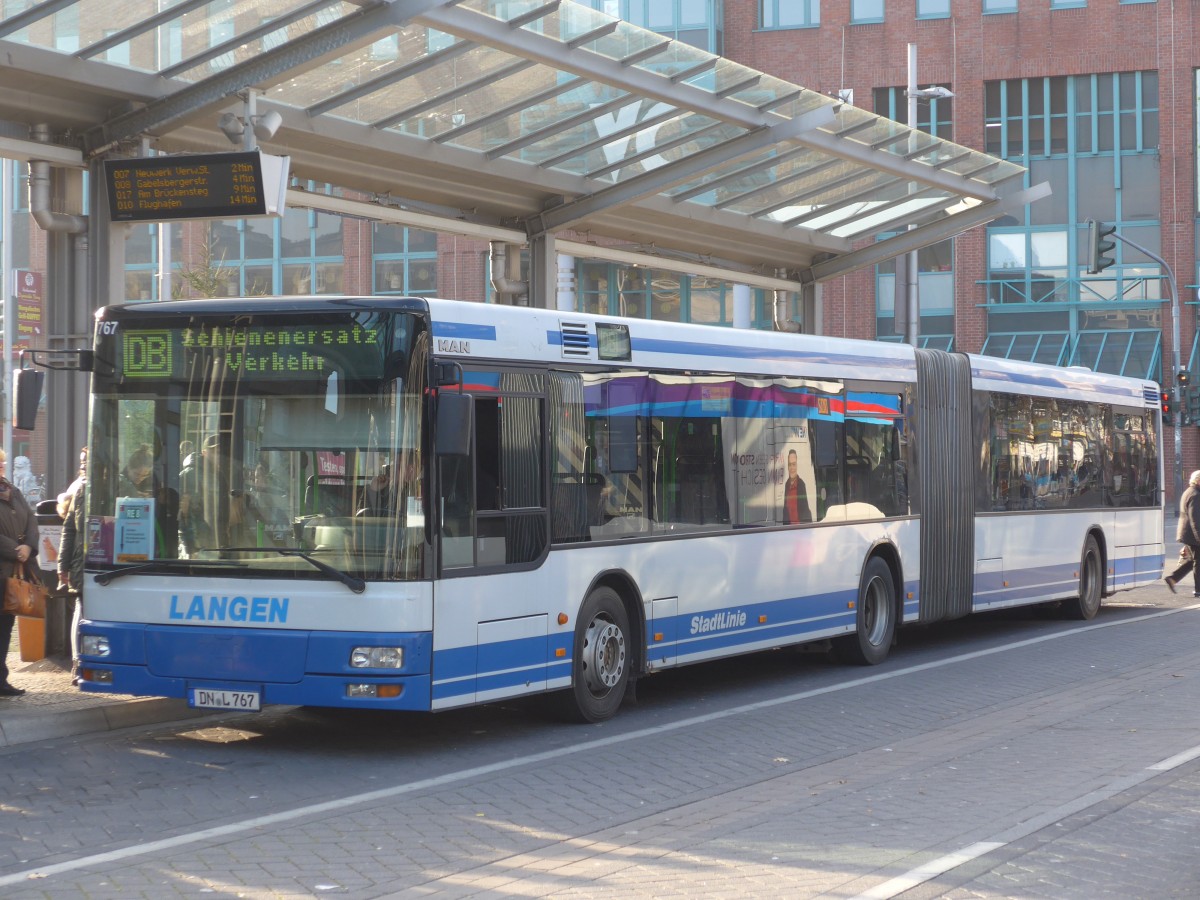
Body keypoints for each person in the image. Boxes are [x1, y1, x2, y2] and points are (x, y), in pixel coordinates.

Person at [0, 449, 40, 697]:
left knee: (5, 627)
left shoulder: (12, 490)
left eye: (2, 462)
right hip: (6, 564)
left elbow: (31, 521)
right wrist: (15, 550)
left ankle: (1, 681)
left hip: (13, 574)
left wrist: (29, 546)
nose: (2, 466)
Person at [57, 460, 86, 684]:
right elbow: (69, 530)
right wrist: (62, 566)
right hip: (82, 565)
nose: (84, 467)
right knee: (81, 609)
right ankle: (78, 663)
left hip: (108, 565)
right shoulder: (80, 490)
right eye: (82, 463)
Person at [1165, 469, 1200, 596]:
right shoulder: (1195, 494)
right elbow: (1195, 518)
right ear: (1198, 480)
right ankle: (1198, 589)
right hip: (1192, 534)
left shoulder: (1190, 492)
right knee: (1198, 562)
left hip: (1187, 533)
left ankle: (1172, 579)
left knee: (1192, 561)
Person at [782, 448, 812, 524]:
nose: (792, 468)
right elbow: (785, 512)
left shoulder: (801, 485)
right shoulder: (787, 485)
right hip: (789, 531)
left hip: (800, 531)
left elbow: (805, 511)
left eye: (794, 464)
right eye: (789, 465)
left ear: (797, 465)